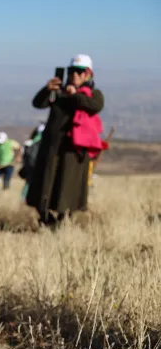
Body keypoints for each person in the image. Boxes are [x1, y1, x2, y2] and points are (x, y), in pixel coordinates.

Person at [25, 54, 105, 226]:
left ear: (88, 74)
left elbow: (94, 106)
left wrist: (75, 95)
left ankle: (63, 221)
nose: (75, 75)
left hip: (74, 151)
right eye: (72, 71)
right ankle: (46, 218)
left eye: (80, 71)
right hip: (52, 148)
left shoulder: (93, 94)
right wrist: (47, 89)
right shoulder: (58, 93)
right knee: (46, 184)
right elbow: (38, 103)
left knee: (67, 186)